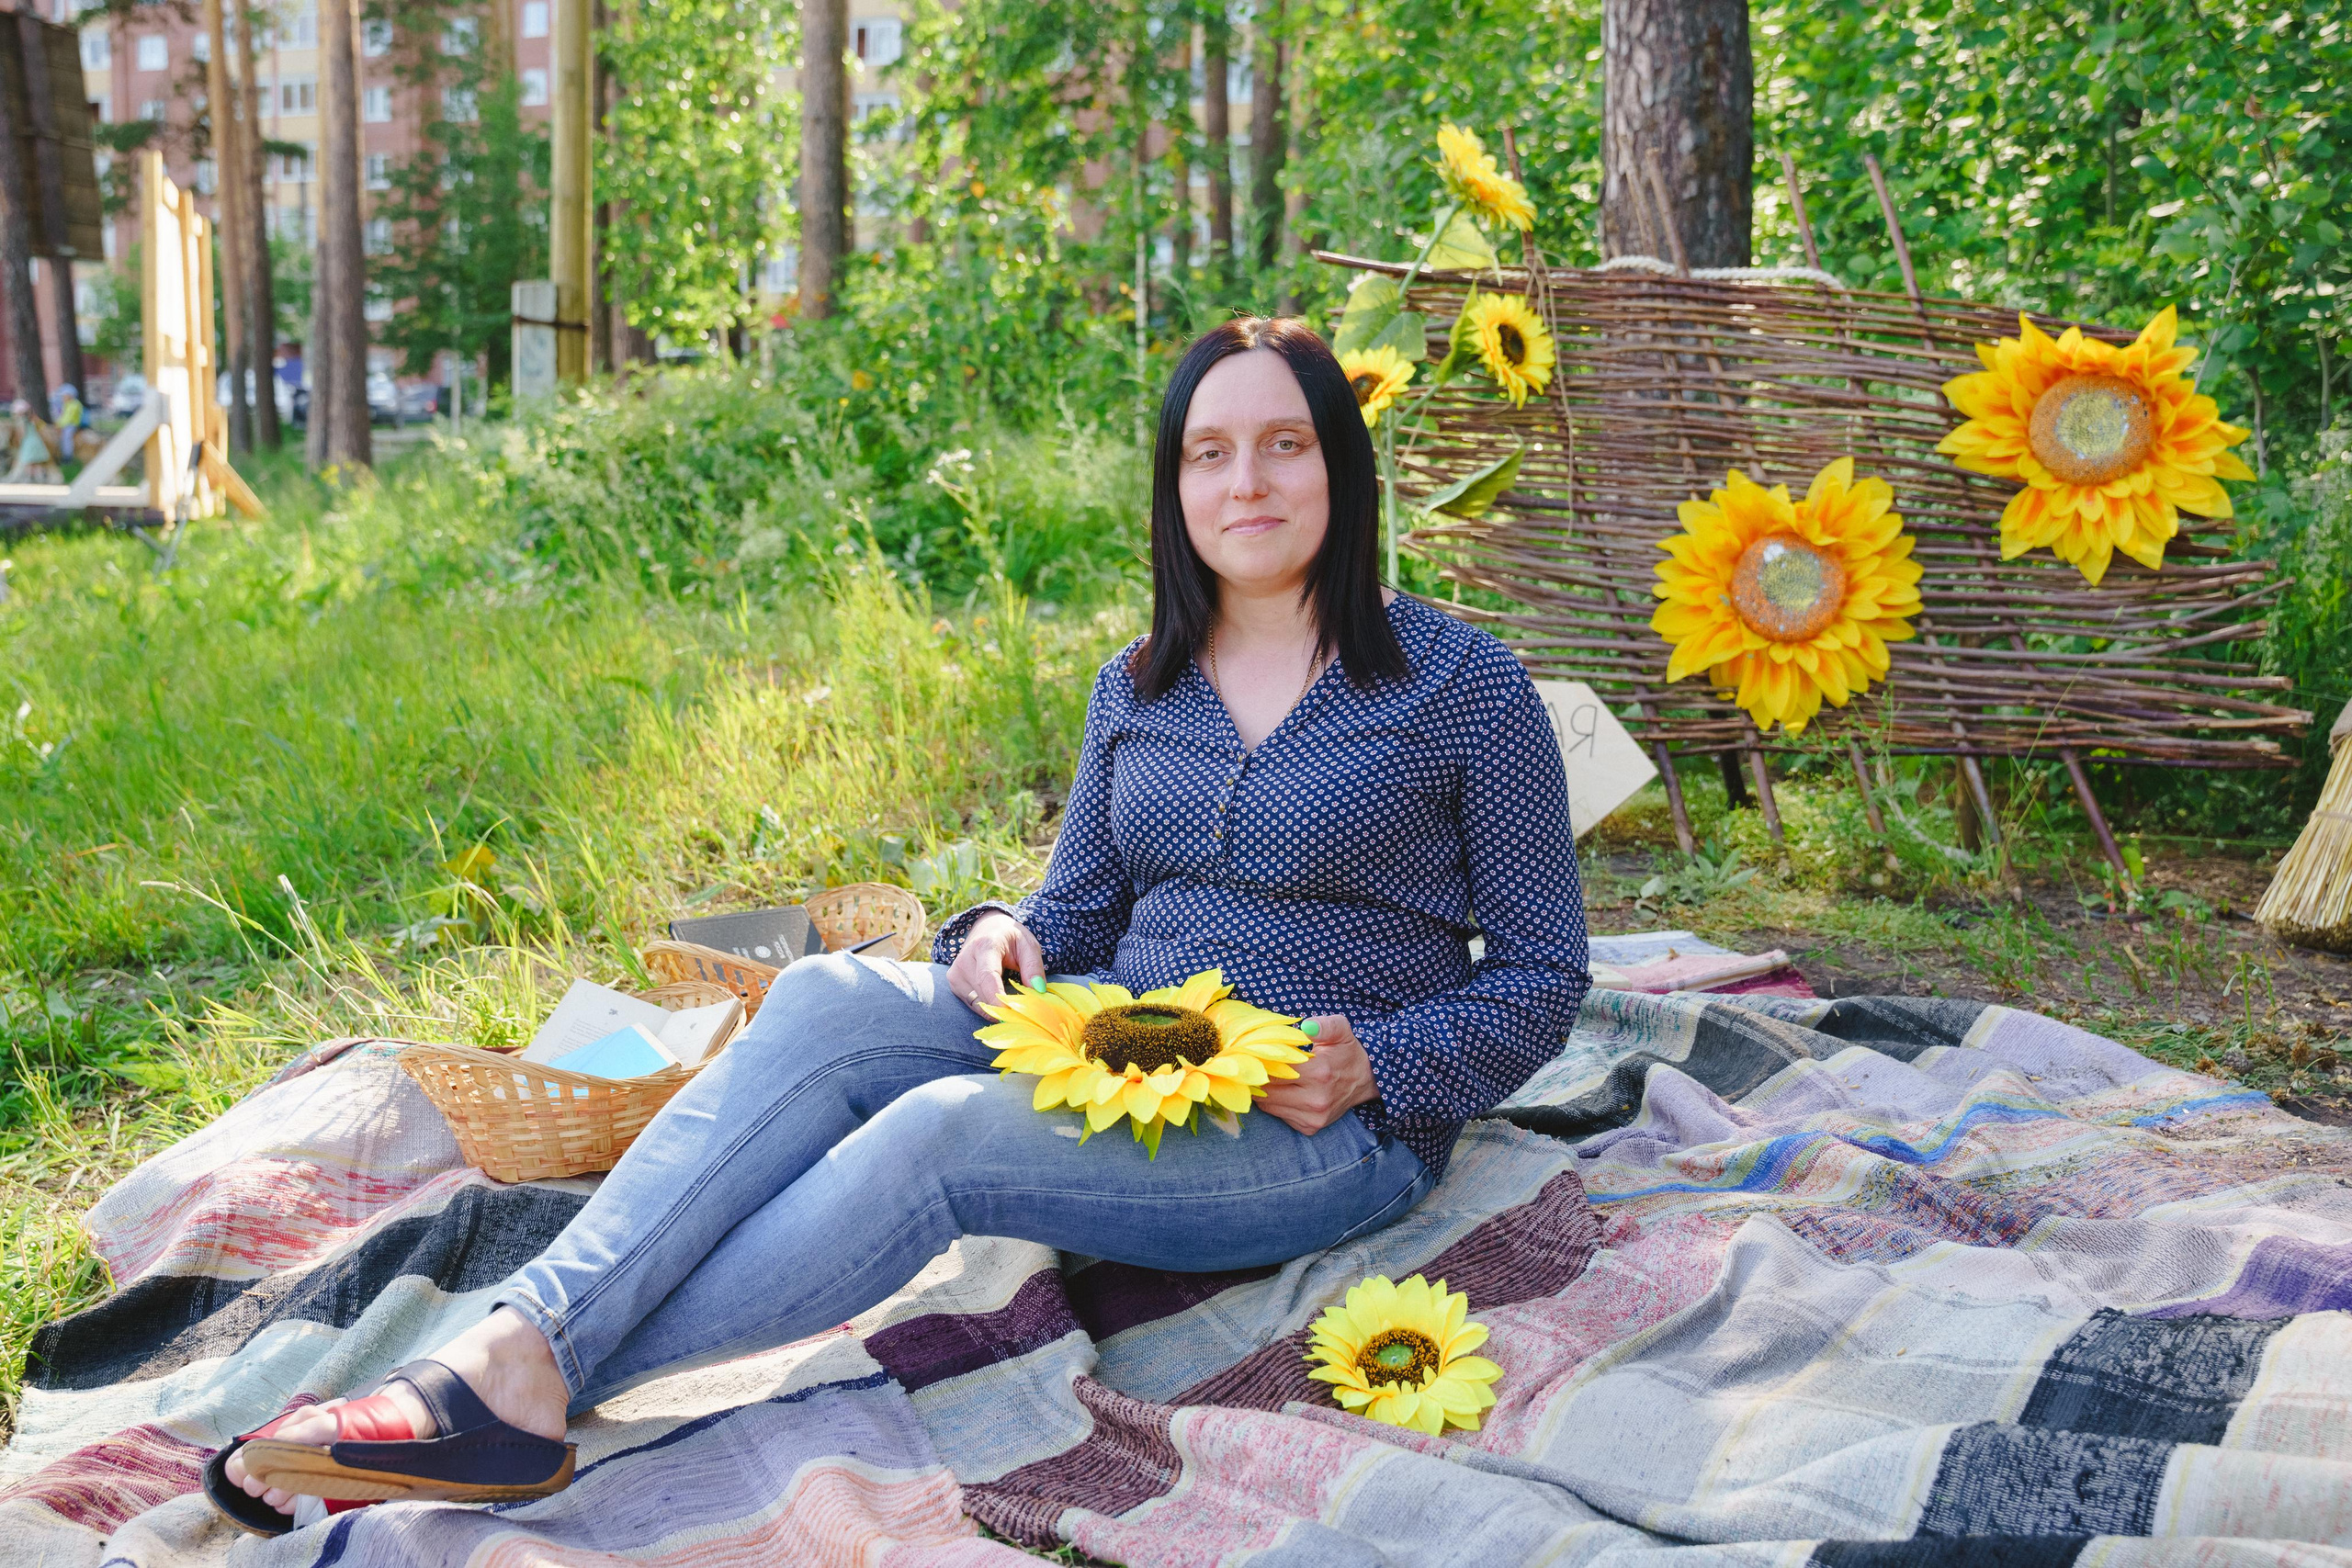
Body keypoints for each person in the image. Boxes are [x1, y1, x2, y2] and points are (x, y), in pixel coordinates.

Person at [206, 316, 1590, 1534]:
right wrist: (995, 932)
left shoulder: (1463, 685)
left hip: (1315, 1130)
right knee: (819, 1002)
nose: (1248, 482)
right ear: (1174, 489)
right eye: (1210, 453)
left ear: (1342, 468)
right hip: (1109, 1044)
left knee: (936, 1138)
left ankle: (518, 1391)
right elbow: (1079, 911)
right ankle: (515, 1354)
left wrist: (1385, 1066)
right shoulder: (1140, 684)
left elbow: (1543, 974)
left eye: (1285, 445)